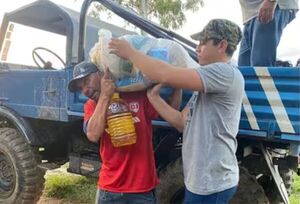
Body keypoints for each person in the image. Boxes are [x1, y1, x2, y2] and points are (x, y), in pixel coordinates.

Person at [109, 19, 244, 203]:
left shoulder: (225, 73)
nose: (197, 48)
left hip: (212, 184)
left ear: (222, 45)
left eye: (203, 43)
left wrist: (131, 53)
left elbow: (165, 74)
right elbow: (181, 122)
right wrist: (154, 98)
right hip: (200, 181)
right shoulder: (207, 84)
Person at [68, 61, 181, 204]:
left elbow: (172, 111)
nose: (85, 90)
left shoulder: (138, 96)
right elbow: (93, 134)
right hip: (110, 190)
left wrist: (178, 83)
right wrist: (105, 96)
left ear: (102, 74)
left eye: (86, 81)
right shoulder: (91, 106)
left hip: (142, 189)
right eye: (80, 88)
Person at [238, 0, 299, 66]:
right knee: (244, 68)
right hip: (251, 14)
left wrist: (271, 1)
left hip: (270, 6)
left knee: (260, 67)